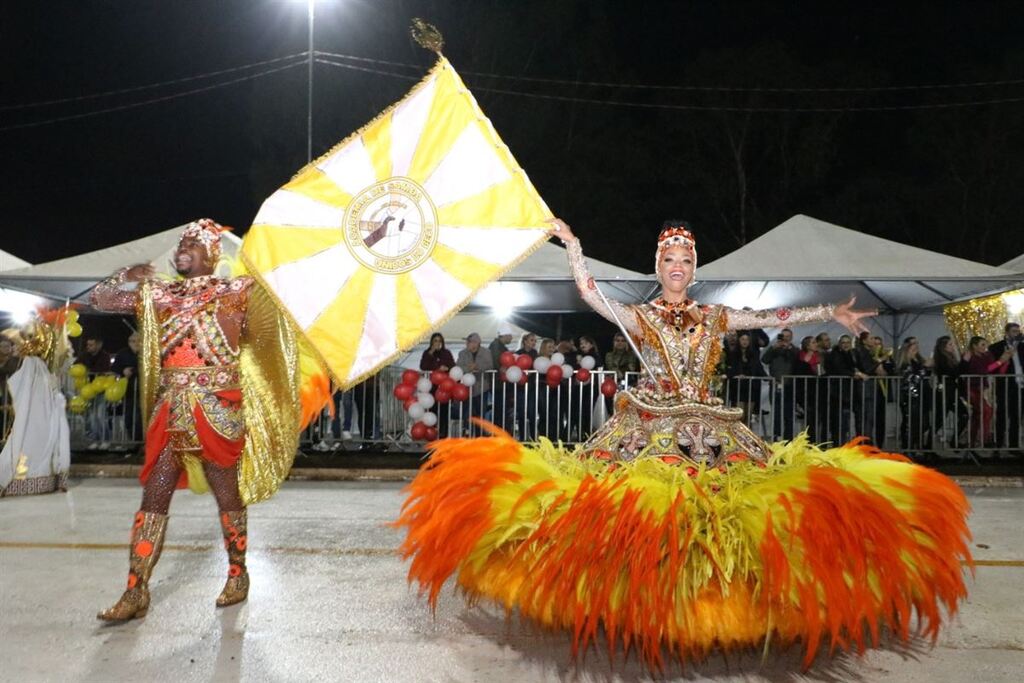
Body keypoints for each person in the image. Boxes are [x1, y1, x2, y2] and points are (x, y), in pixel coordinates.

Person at [397, 218, 970, 669]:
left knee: (734, 511)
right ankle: (639, 605)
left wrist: (830, 312)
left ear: (694, 269)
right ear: (658, 266)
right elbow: (591, 292)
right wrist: (573, 246)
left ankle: (720, 608)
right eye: (669, 259)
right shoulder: (640, 317)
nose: (678, 267)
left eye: (686, 260)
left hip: (712, 426)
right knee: (637, 514)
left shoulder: (714, 315)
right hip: (649, 423)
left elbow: (771, 315)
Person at [90, 218, 315, 621]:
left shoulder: (238, 291)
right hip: (171, 409)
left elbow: (288, 304)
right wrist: (126, 274)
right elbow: (101, 300)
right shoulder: (159, 294)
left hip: (217, 409)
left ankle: (237, 573)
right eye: (180, 243)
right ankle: (135, 589)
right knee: (154, 496)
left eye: (192, 243)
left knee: (226, 494)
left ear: (213, 253)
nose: (182, 247)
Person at [962, 335, 1013, 448]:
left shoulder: (987, 356)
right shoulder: (971, 356)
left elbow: (997, 372)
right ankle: (984, 439)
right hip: (971, 388)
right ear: (974, 346)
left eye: (986, 345)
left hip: (980, 388)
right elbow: (983, 371)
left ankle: (973, 441)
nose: (985, 347)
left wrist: (1005, 362)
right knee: (986, 411)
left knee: (979, 414)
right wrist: (1000, 361)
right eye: (982, 345)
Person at [988, 323, 1023, 451]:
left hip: (1020, 385)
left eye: (1018, 331)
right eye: (1014, 331)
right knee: (1002, 414)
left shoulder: (1022, 346)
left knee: (1017, 416)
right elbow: (991, 367)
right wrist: (1003, 359)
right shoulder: (996, 347)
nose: (1017, 334)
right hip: (1004, 385)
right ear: (1007, 333)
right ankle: (998, 444)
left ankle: (1013, 446)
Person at [894, 337, 932, 451]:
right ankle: (908, 447)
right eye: (913, 343)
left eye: (917, 343)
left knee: (924, 422)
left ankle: (915, 445)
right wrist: (925, 368)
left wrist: (928, 367)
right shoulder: (904, 362)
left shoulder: (918, 359)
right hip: (910, 396)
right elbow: (911, 379)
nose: (916, 345)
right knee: (911, 422)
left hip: (922, 394)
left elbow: (924, 375)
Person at [761, 328, 797, 440]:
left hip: (790, 385)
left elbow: (798, 361)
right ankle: (777, 437)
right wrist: (773, 348)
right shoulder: (774, 349)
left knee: (789, 413)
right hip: (776, 384)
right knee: (776, 412)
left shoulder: (795, 350)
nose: (785, 338)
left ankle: (789, 438)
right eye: (784, 336)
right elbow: (764, 360)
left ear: (791, 337)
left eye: (788, 336)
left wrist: (789, 349)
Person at [455, 333, 493, 435]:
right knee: (467, 413)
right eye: (468, 342)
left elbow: (490, 365)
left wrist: (477, 366)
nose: (469, 344)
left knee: (480, 413)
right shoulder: (462, 353)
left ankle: (479, 435)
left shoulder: (486, 352)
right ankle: (467, 433)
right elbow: (458, 367)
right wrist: (469, 368)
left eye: (471, 342)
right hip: (467, 389)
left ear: (477, 343)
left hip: (482, 388)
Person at [419, 333, 456, 438]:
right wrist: (436, 366)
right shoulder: (427, 353)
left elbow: (453, 365)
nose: (437, 343)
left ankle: (444, 435)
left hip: (444, 387)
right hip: (432, 386)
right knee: (432, 411)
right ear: (431, 342)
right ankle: (432, 435)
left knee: (444, 412)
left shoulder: (446, 353)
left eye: (439, 341)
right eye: (435, 340)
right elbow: (423, 366)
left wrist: (446, 368)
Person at [111, 332, 141, 443]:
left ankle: (139, 441)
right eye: (133, 341)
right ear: (129, 342)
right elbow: (114, 369)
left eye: (138, 341)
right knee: (129, 417)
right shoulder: (122, 354)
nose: (136, 343)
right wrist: (123, 371)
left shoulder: (145, 353)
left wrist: (133, 371)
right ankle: (133, 441)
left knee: (139, 418)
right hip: (127, 391)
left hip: (142, 391)